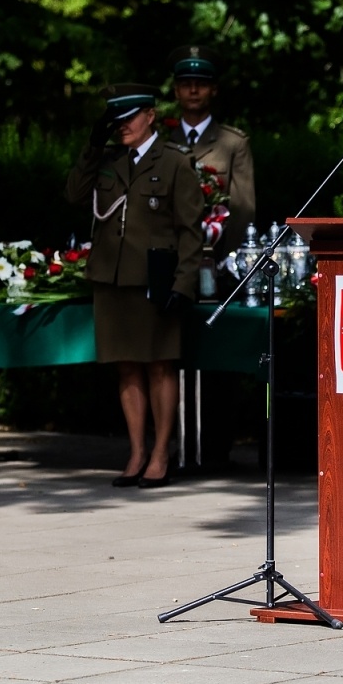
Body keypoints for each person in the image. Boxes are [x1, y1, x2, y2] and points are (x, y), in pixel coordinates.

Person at [66, 83, 203, 488]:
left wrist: (184, 282)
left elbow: (191, 232)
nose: (121, 126)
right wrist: (93, 146)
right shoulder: (109, 160)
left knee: (160, 367)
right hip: (111, 278)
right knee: (126, 368)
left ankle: (161, 452)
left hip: (153, 280)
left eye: (128, 118)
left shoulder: (176, 163)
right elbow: (74, 194)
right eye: (115, 120)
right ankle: (137, 452)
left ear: (150, 116)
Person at [164, 46, 254, 257]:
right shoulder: (162, 143)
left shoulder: (234, 143)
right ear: (176, 91)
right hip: (168, 257)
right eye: (186, 85)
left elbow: (243, 212)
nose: (193, 91)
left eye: (201, 84)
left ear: (214, 89)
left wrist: (229, 261)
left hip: (215, 258)